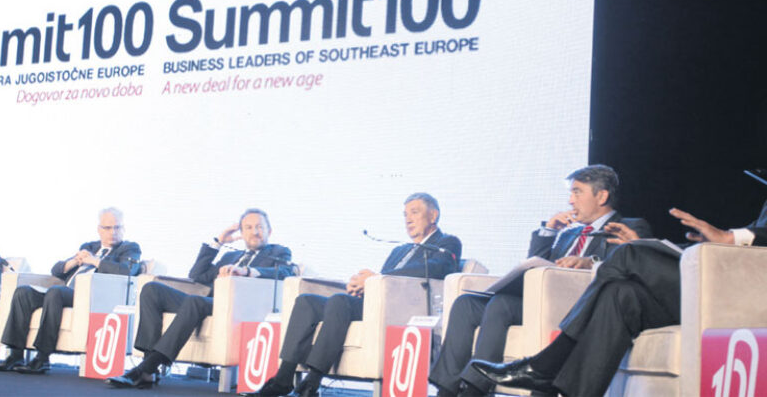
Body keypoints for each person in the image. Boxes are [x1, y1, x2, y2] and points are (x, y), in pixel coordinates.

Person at [470, 201, 767, 397]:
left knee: (629, 253)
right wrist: (715, 241)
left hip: (742, 290)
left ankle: (546, 364)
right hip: (723, 273)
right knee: (620, 294)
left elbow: (750, 238)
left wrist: (731, 238)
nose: (570, 200)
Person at [429, 165, 651, 397]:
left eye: (577, 192)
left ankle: (475, 389)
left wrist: (590, 261)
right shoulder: (569, 233)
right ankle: (446, 390)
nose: (570, 201)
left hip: (575, 307)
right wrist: (549, 231)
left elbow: (631, 265)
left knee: (501, 304)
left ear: (602, 196)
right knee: (466, 304)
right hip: (535, 303)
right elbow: (535, 264)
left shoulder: (629, 227)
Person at [248, 193, 462, 397]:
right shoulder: (400, 250)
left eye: (414, 212)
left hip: (397, 309)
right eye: (405, 214)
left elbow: (439, 268)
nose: (408, 219)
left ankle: (312, 382)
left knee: (340, 301)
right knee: (306, 302)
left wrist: (376, 278)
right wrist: (361, 285)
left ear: (433, 215)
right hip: (374, 302)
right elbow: (383, 281)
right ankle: (283, 377)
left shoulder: (447, 243)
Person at [106, 208, 295, 389]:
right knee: (151, 290)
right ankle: (149, 369)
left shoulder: (278, 252)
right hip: (210, 303)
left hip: (237, 307)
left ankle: (144, 369)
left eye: (260, 227)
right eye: (249, 227)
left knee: (195, 301)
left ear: (269, 230)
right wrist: (218, 242)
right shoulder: (231, 255)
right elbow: (197, 274)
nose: (255, 232)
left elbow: (285, 272)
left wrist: (246, 271)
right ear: (242, 233)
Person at [0, 207, 141, 374]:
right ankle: (15, 355)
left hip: (89, 296)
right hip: (65, 292)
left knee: (55, 292)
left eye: (117, 227)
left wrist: (94, 261)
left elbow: (126, 271)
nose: (113, 232)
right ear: (99, 229)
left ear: (123, 228)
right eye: (108, 228)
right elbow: (56, 270)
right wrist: (75, 261)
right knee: (23, 293)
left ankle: (42, 357)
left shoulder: (129, 248)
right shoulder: (89, 246)